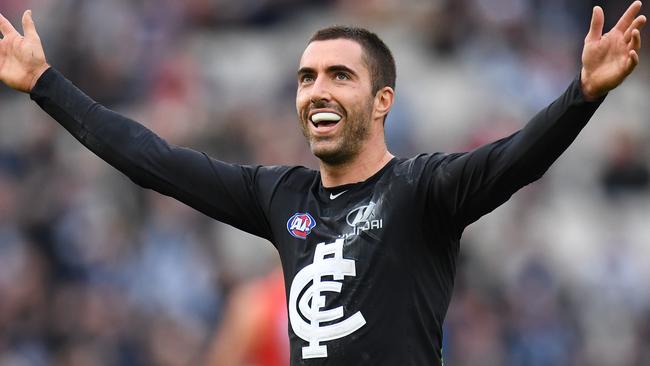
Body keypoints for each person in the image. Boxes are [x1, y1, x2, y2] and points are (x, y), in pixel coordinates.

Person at [0, 3, 645, 365]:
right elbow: (153, 160)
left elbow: (516, 160)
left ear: (383, 98)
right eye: (307, 77)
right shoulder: (280, 196)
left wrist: (583, 94)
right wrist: (46, 85)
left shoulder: (423, 190)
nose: (317, 90)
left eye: (340, 75)